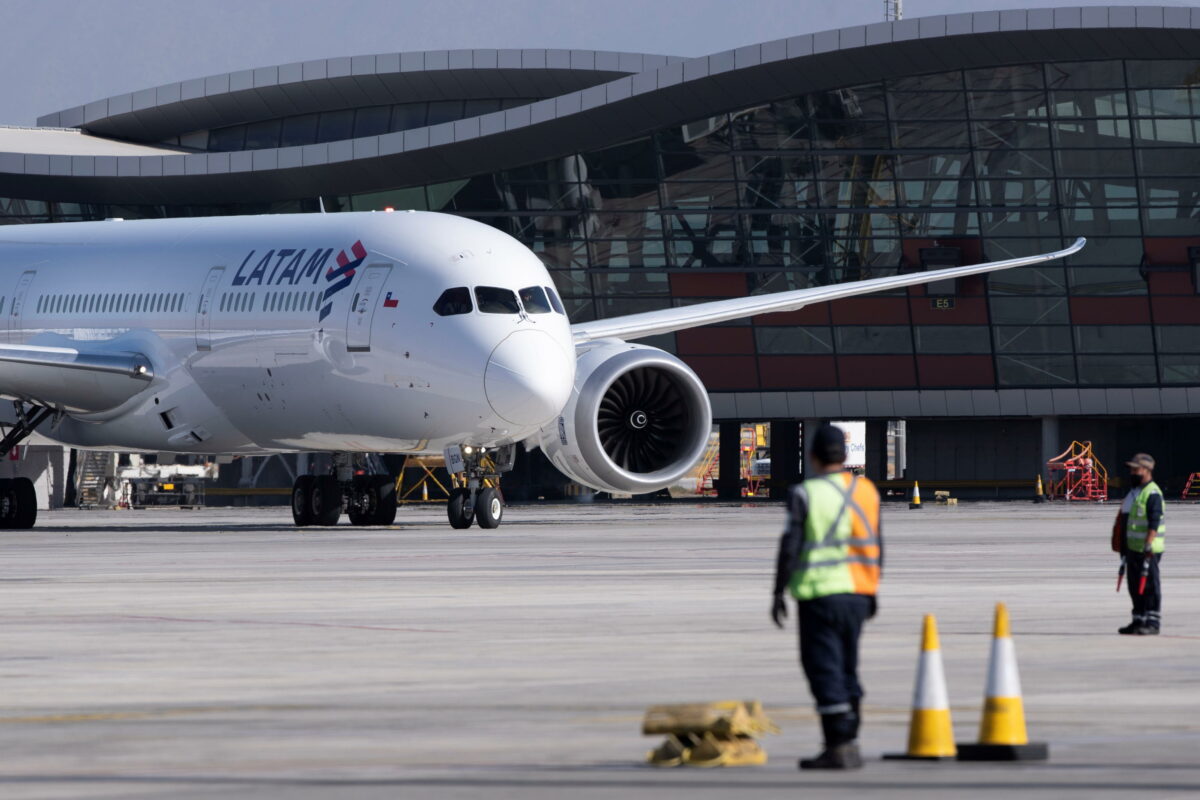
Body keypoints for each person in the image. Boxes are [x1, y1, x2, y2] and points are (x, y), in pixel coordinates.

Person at [772, 424, 882, 770]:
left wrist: (778, 590)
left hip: (820, 594)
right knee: (848, 667)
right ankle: (850, 737)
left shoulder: (805, 493)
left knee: (823, 668)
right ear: (845, 456)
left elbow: (790, 544)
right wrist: (873, 588)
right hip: (858, 594)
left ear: (813, 456)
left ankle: (839, 744)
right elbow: (879, 544)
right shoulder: (867, 491)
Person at [1113, 452, 1165, 635]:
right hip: (1131, 548)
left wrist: (1149, 544)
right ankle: (1138, 619)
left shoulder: (1152, 493)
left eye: (1136, 469)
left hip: (1147, 549)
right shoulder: (1134, 493)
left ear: (1146, 470)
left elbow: (1154, 520)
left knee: (1150, 584)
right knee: (1134, 585)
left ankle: (1152, 621)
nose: (1133, 472)